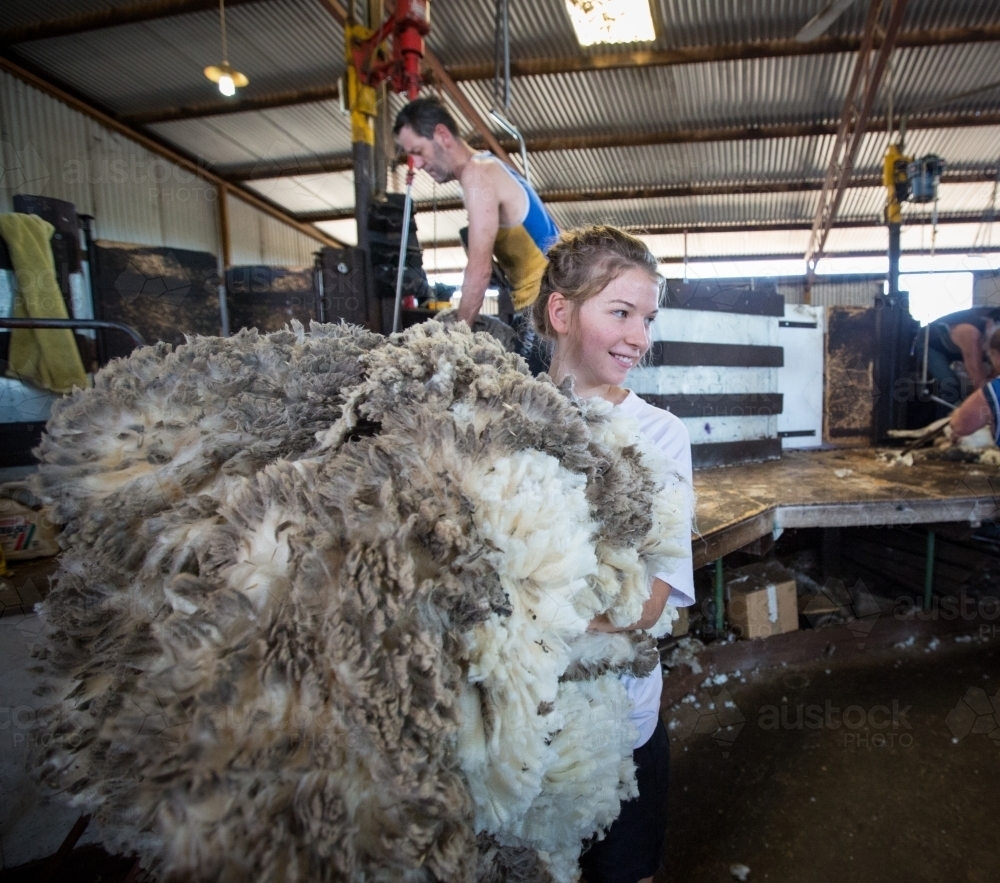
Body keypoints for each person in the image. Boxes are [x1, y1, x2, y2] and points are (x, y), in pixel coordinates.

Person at [532, 225, 695, 883]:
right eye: (621, 312)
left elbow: (648, 601)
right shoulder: (505, 422)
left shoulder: (660, 434)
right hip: (531, 727)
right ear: (562, 311)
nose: (640, 337)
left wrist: (533, 614)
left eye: (647, 318)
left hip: (624, 722)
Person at [393, 98, 559, 374]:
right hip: (551, 303)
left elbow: (479, 271)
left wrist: (455, 340)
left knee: (535, 406)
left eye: (419, 151)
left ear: (442, 135)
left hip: (542, 309)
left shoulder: (477, 175)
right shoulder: (488, 165)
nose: (418, 164)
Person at [925, 306, 1000, 406]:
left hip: (957, 349)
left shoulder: (992, 334)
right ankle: (947, 419)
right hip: (930, 344)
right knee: (950, 386)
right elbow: (978, 379)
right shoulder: (971, 332)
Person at [949, 327, 1000, 443]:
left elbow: (959, 426)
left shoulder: (995, 389)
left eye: (990, 356)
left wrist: (957, 413)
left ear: (995, 354)